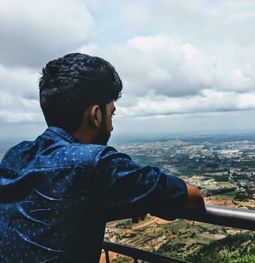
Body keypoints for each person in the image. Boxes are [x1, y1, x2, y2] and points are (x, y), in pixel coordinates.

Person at [0, 53, 205, 262]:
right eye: (111, 114)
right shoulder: (94, 164)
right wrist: (140, 196)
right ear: (96, 115)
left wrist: (128, 201)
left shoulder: (16, 156)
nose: (112, 125)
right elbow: (193, 199)